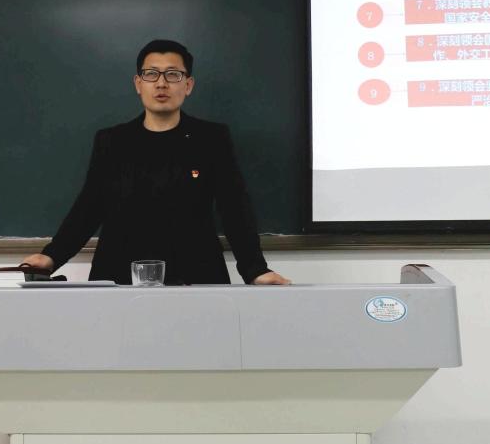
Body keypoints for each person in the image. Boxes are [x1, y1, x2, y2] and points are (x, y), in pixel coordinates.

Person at [21, 39, 290, 286]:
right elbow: (89, 207)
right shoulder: (112, 141)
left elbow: (235, 209)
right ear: (138, 84)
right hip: (119, 276)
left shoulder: (211, 139)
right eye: (151, 74)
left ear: (188, 85)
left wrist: (255, 270)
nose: (161, 84)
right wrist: (52, 256)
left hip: (195, 276)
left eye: (173, 75)